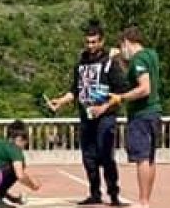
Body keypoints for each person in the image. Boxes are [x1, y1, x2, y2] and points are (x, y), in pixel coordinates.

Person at [47, 20, 126, 206]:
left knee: (106, 156)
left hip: (105, 117)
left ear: (101, 42)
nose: (90, 46)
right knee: (88, 157)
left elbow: (121, 91)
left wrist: (105, 106)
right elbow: (74, 91)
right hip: (85, 117)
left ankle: (113, 194)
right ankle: (94, 193)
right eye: (88, 42)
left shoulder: (109, 63)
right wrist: (60, 102)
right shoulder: (80, 64)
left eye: (94, 42)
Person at [89, 26, 161, 208]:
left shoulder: (138, 59)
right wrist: (119, 59)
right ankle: (147, 199)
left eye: (122, 47)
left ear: (126, 42)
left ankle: (144, 201)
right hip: (154, 112)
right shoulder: (150, 55)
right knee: (150, 158)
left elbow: (145, 88)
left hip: (142, 114)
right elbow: (134, 71)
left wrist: (121, 97)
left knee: (142, 158)